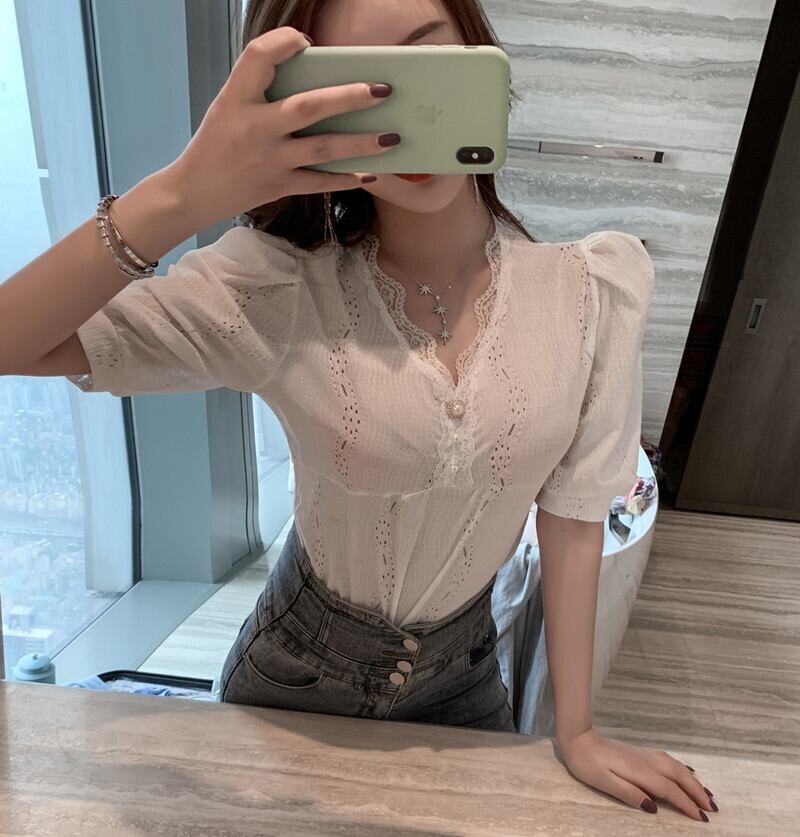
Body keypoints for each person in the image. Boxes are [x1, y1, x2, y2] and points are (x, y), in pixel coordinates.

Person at [0, 0, 716, 823]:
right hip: (293, 680)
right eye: (352, 90)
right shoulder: (279, 290)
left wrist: (577, 730)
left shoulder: (591, 291)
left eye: (422, 63)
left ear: (481, 56)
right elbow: (15, 340)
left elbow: (574, 515)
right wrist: (181, 193)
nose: (395, 117)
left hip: (465, 680)